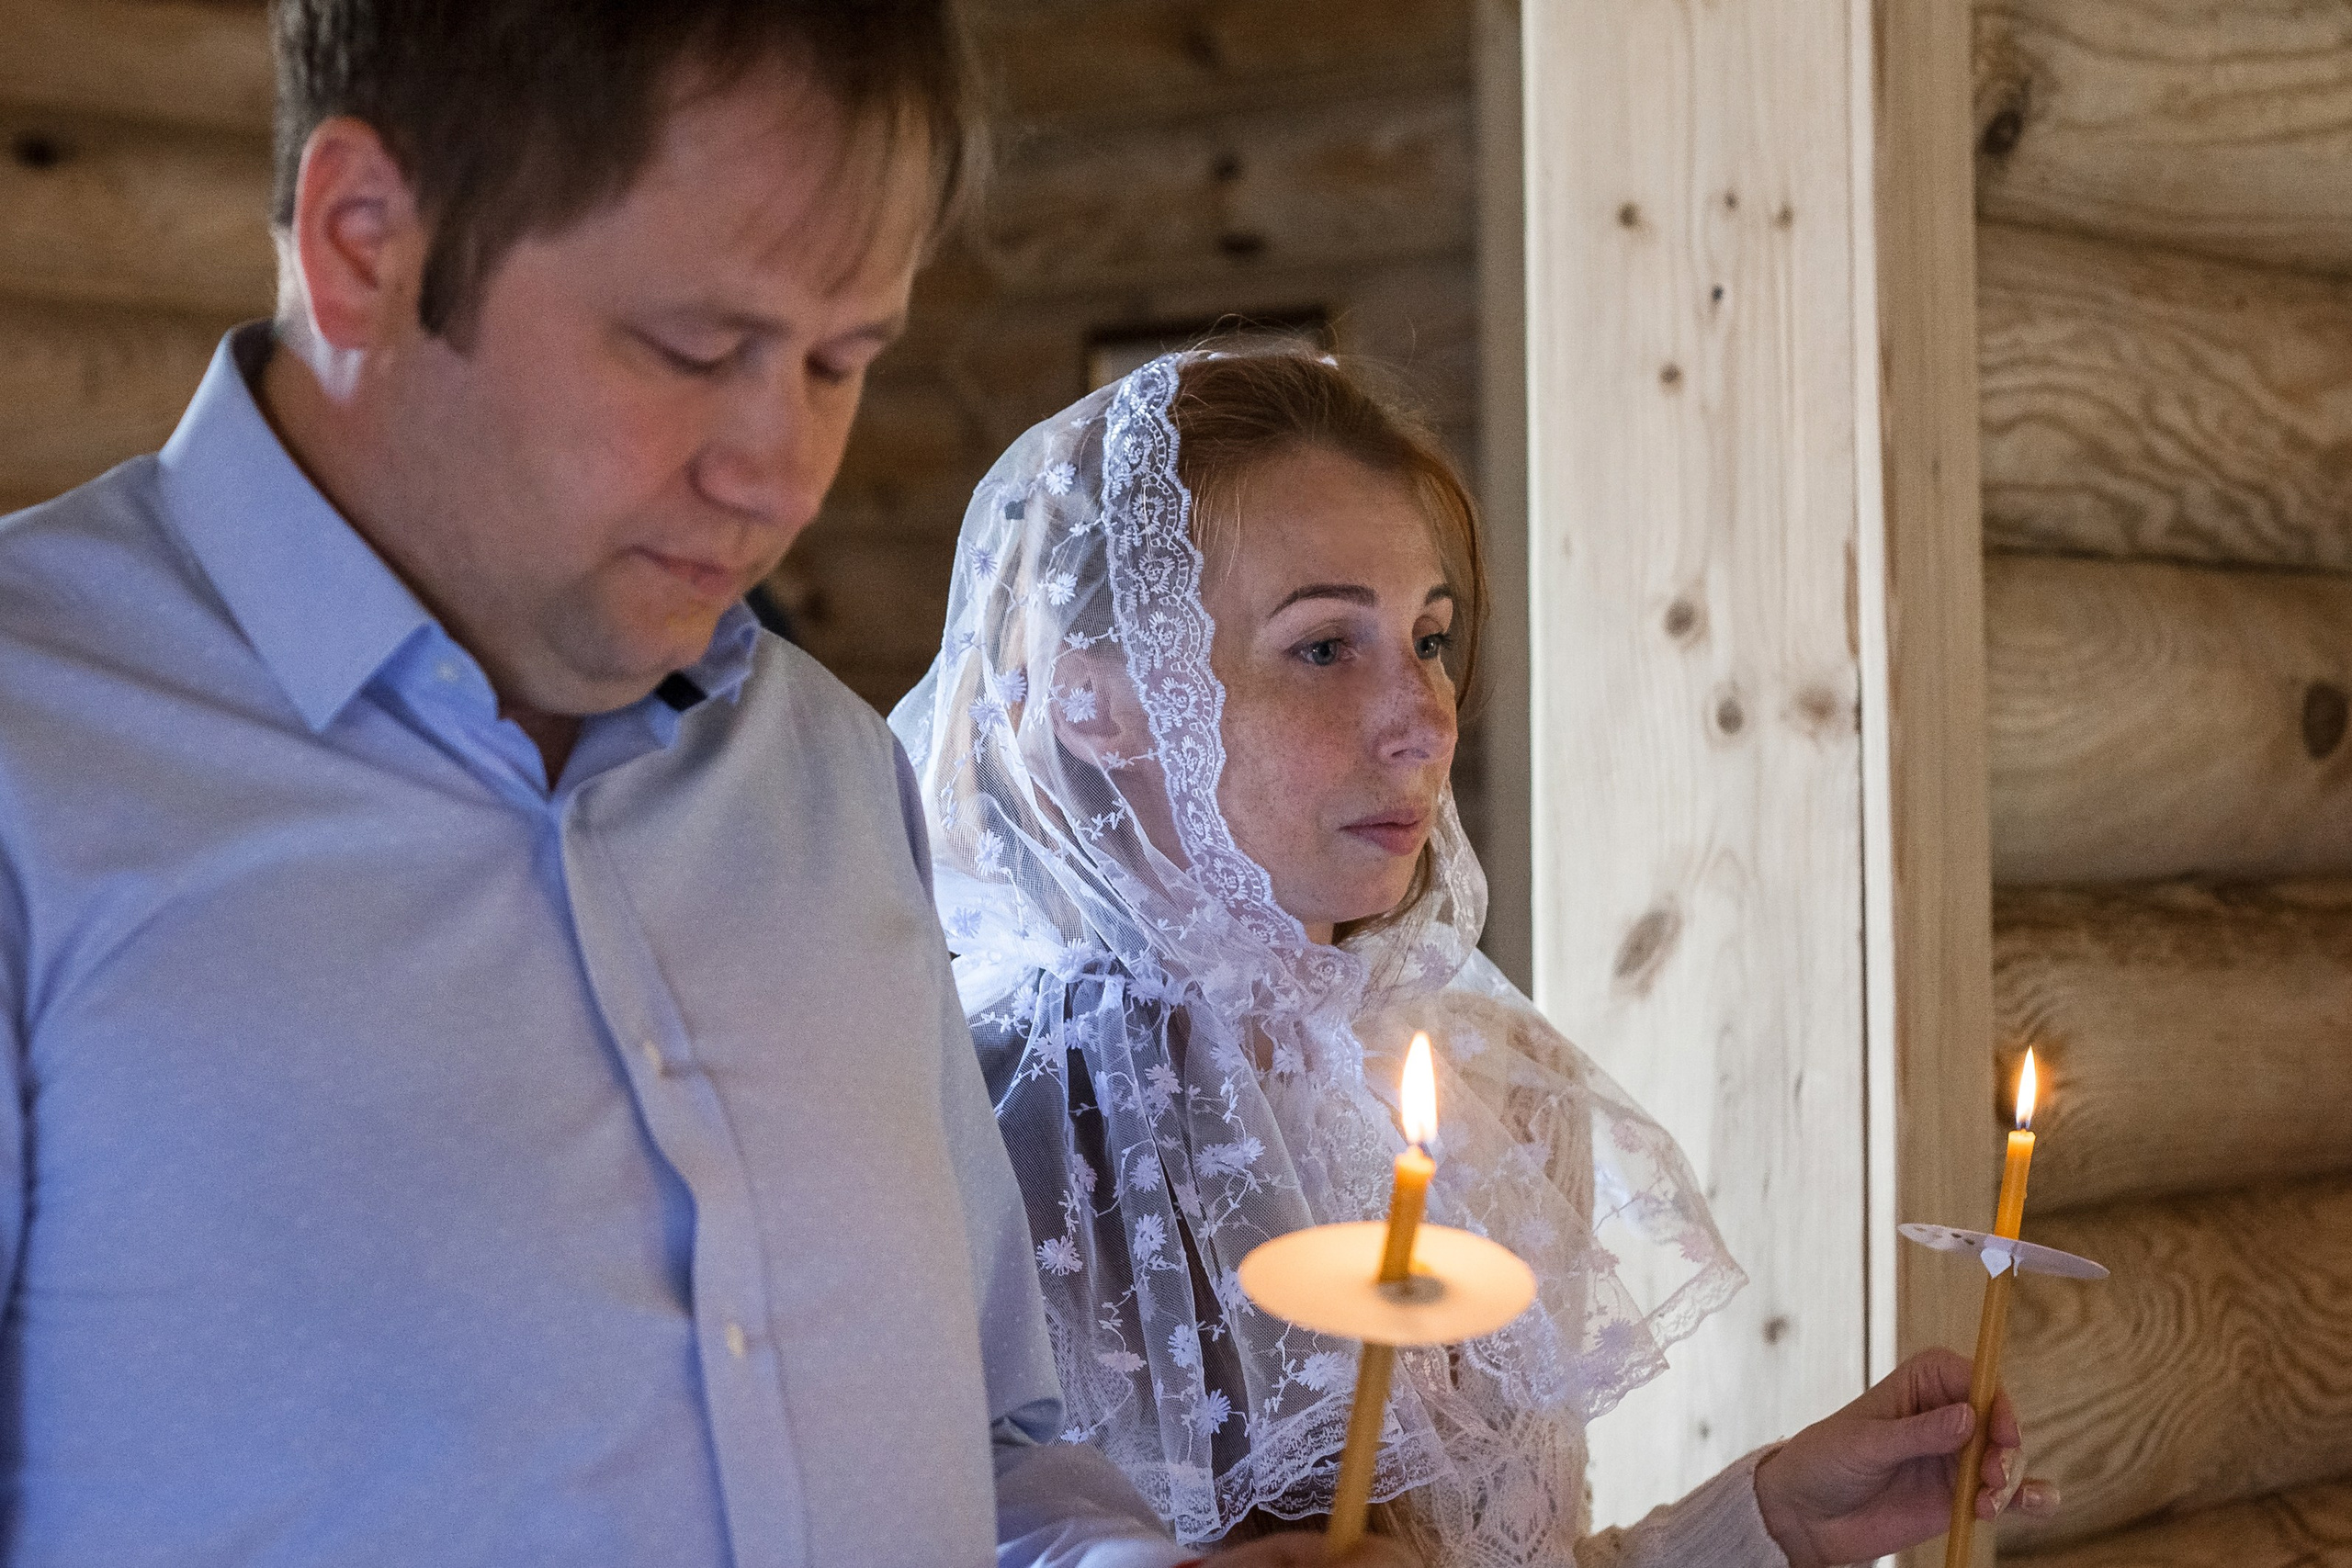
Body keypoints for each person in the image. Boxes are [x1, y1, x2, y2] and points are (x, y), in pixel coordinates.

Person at [0, 6, 1405, 1565]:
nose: (779, 470)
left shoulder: (821, 775)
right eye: (696, 348)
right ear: (364, 246)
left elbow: (997, 1452)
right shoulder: (32, 759)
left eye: (839, 362)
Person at [888, 348, 2059, 1566]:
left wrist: (1778, 1523)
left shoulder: (1487, 1087)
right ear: (1101, 704)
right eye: (1327, 647)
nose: (1426, 721)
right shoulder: (968, 1118)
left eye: (1431, 639)